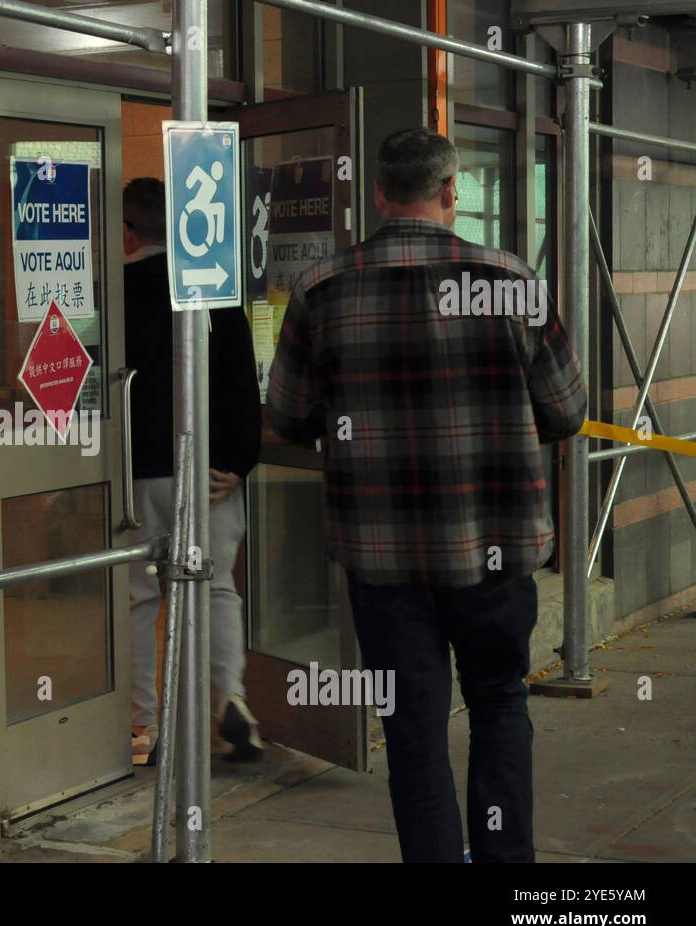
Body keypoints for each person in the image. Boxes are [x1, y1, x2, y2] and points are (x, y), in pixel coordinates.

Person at [266, 128, 587, 862]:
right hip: (494, 549)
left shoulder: (321, 289)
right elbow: (567, 411)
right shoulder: (511, 281)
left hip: (383, 563)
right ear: (451, 194)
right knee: (500, 705)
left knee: (412, 727)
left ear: (379, 193)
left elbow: (286, 416)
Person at [122, 176, 264, 765]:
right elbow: (242, 384)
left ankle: (141, 728)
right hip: (209, 475)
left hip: (135, 474)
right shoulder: (215, 292)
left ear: (128, 231)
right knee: (217, 588)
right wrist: (239, 464)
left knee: (137, 597)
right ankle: (230, 698)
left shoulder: (115, 294)